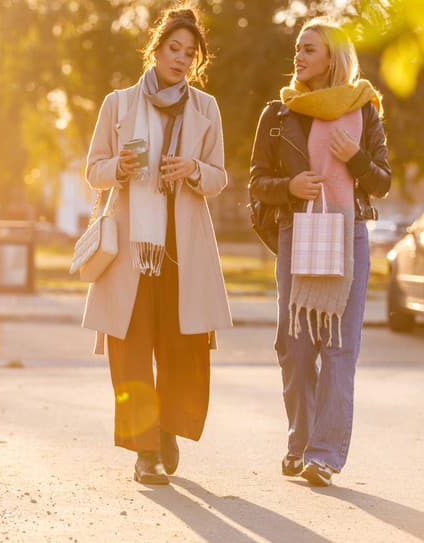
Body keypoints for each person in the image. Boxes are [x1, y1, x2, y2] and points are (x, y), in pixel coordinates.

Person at [81, 4, 233, 485]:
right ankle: (144, 452)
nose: (182, 59)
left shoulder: (206, 109)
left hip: (182, 249)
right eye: (174, 48)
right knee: (130, 348)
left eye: (190, 53)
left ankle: (166, 428)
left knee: (182, 348)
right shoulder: (119, 104)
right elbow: (93, 171)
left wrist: (193, 170)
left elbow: (219, 178)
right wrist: (119, 169)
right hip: (130, 248)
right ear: (157, 48)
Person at [249, 18, 391, 486]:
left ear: (332, 57)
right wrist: (289, 187)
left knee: (338, 347)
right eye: (297, 48)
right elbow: (257, 184)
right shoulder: (278, 114)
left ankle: (323, 455)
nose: (299, 56)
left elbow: (382, 182)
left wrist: (355, 158)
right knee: (294, 344)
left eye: (309, 49)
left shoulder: (364, 109)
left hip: (348, 236)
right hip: (299, 232)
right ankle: (301, 440)